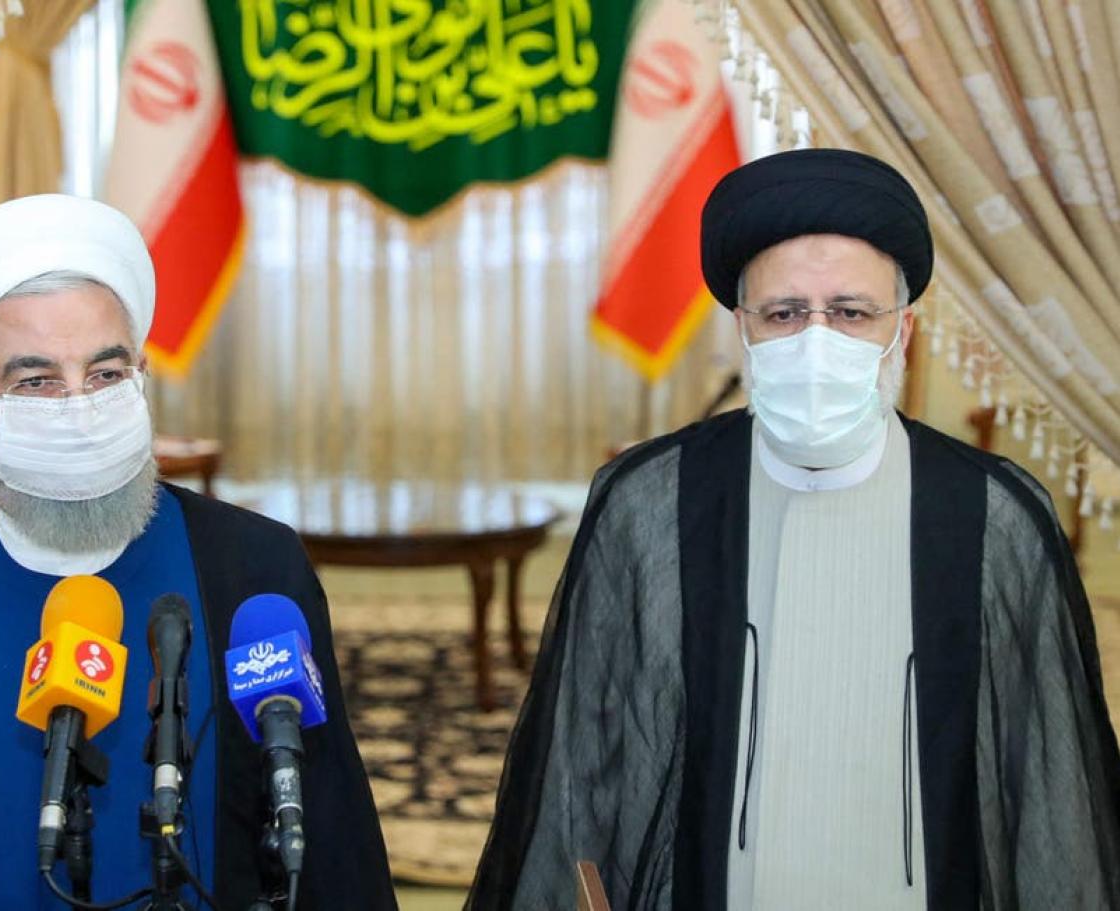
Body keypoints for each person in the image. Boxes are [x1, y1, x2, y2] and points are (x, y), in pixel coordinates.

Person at [468, 149, 1120, 910]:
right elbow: (582, 766)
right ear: (742, 329)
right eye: (784, 313)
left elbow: (1047, 784)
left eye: (850, 312)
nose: (817, 339)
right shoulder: (651, 499)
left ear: (903, 330)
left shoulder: (992, 512)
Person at [0, 195, 397, 911]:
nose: (79, 408)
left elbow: (332, 839)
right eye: (36, 381)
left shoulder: (258, 570)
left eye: (105, 373)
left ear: (141, 374)